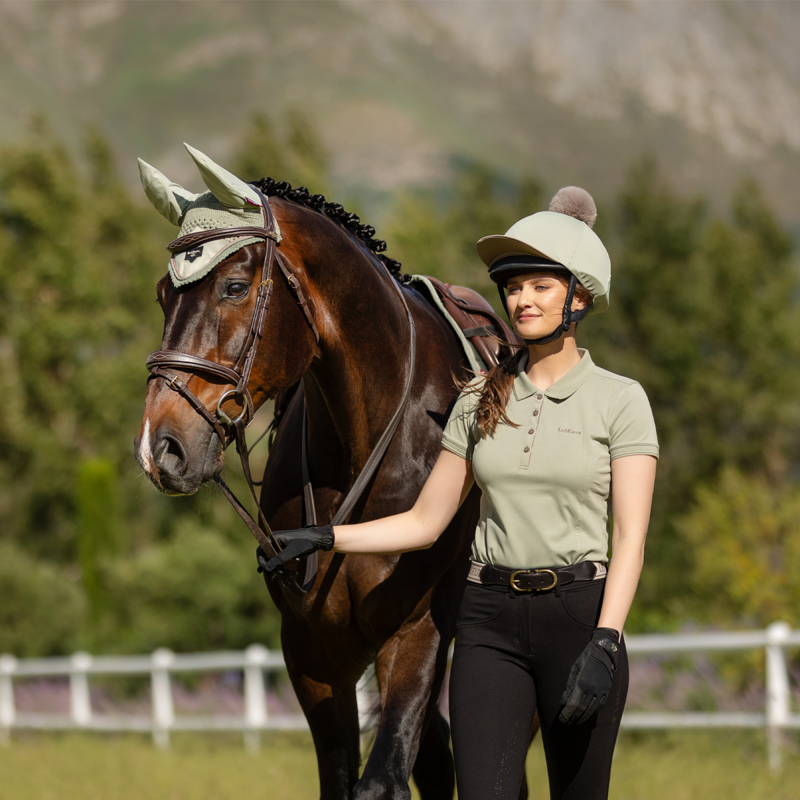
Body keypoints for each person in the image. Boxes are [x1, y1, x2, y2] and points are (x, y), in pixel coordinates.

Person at [258, 187, 658, 800]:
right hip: (488, 625)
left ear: (578, 296)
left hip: (579, 618)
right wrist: (323, 535)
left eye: (540, 286)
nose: (521, 299)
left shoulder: (620, 400)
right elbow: (425, 520)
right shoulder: (478, 399)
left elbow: (630, 538)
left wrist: (606, 640)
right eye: (514, 286)